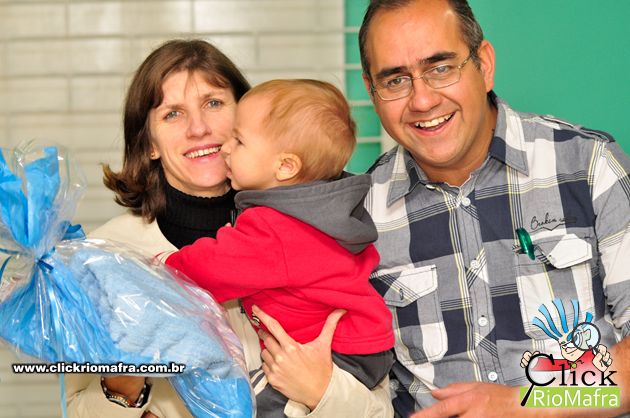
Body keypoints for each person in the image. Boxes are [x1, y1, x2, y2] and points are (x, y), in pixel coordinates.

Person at [65, 40, 393, 417]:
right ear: (150, 143)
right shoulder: (108, 255)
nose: (199, 128)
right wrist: (125, 384)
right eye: (173, 114)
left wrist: (321, 391)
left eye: (213, 103)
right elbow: (76, 409)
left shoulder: (311, 226)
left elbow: (380, 410)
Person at [358, 0, 630, 417]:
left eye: (441, 68)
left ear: (484, 65)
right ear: (371, 91)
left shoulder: (589, 166)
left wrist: (525, 404)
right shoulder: (360, 215)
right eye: (395, 80)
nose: (422, 100)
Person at [164, 79, 395, 417]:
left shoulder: (277, 227)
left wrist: (167, 266)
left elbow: (212, 268)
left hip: (334, 354)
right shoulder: (319, 212)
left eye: (239, 140)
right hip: (363, 347)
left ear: (285, 166)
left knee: (256, 408)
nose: (225, 147)